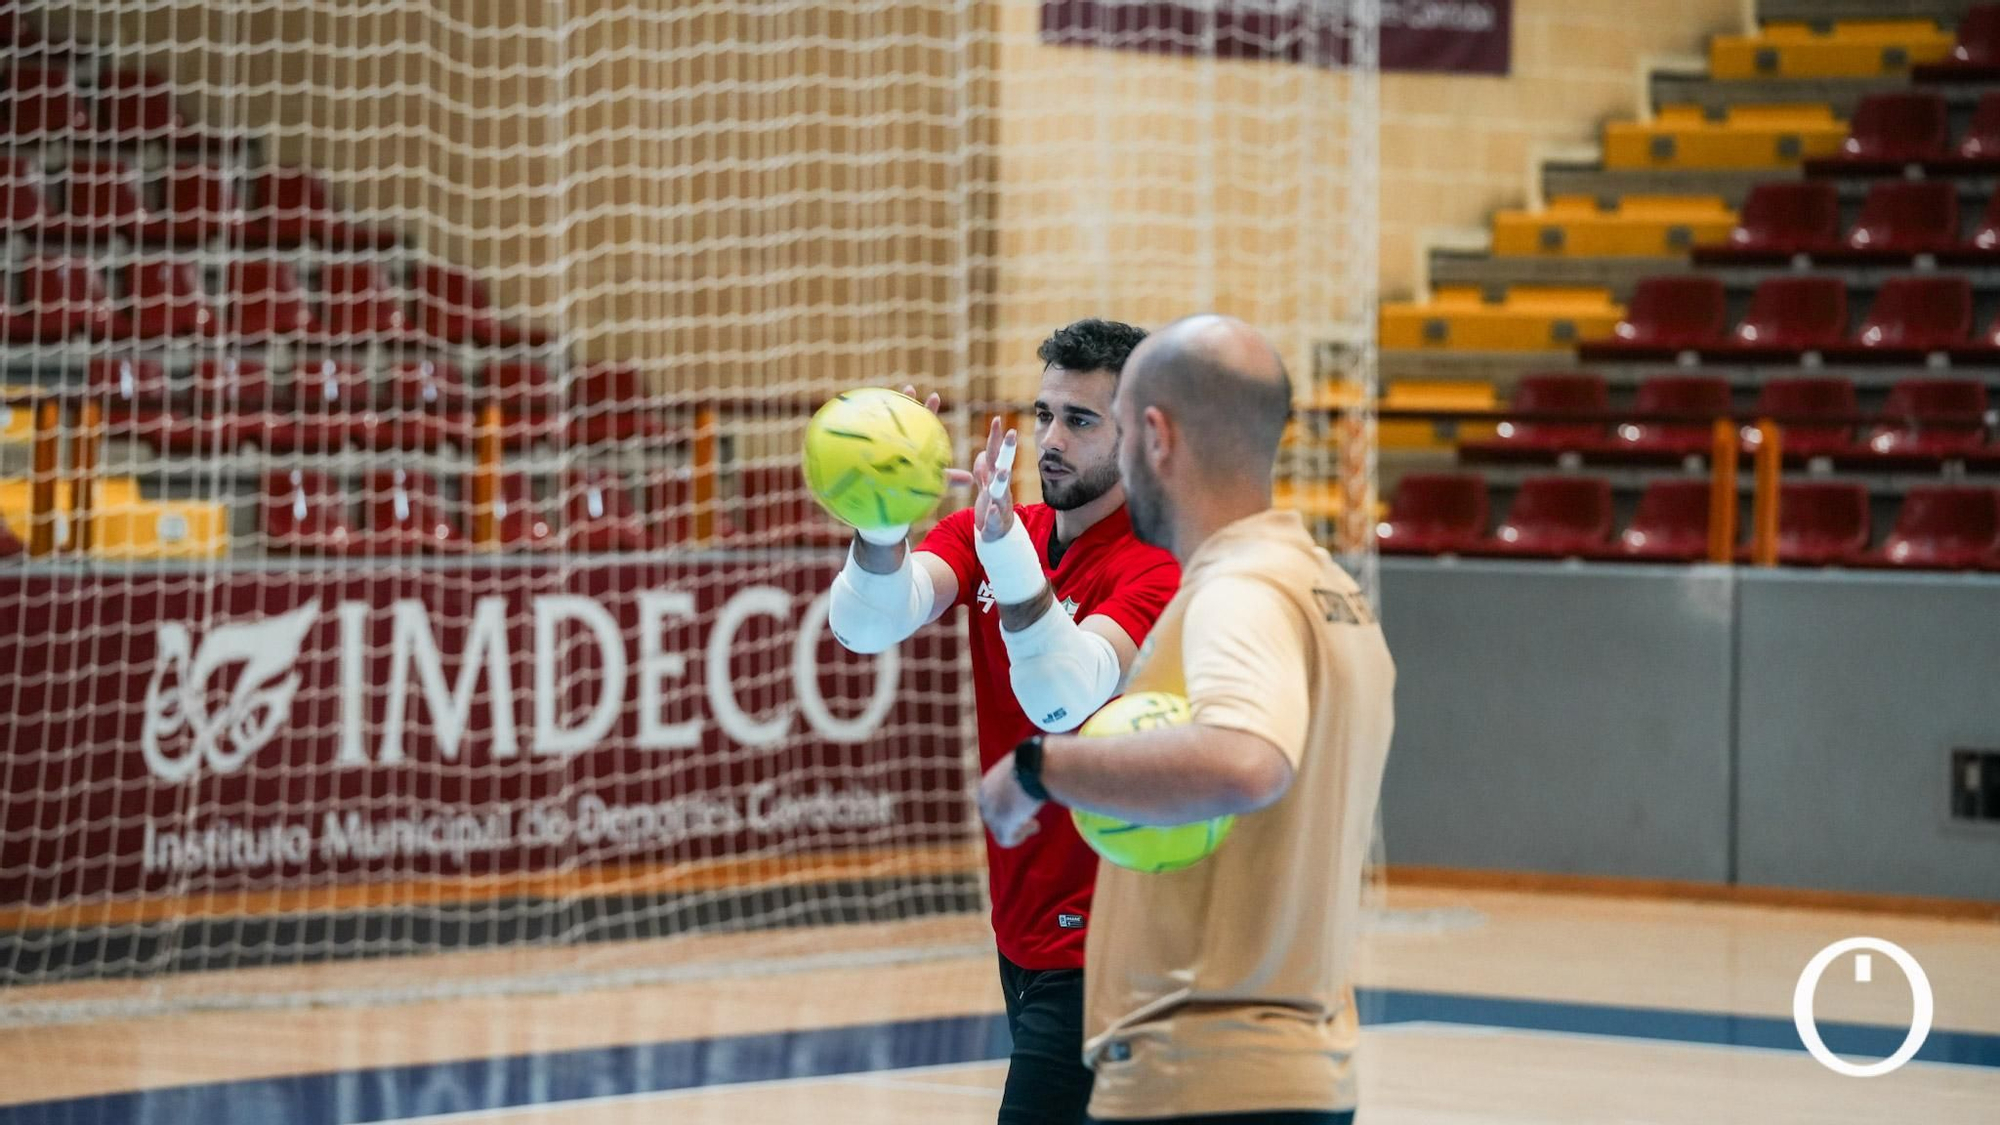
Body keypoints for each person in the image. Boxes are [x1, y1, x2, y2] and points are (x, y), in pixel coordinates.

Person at [976, 314, 1396, 1125]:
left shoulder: (1238, 593)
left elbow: (1245, 761)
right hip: (1301, 1062)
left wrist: (1040, 769)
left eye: (1109, 424)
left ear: (1155, 436)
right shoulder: (1330, 590)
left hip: (1203, 1067)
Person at [826, 318, 1182, 1124]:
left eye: (1080, 420)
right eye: (1043, 414)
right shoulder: (997, 529)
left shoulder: (1159, 563)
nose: (1050, 440)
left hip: (1115, 940)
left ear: (1141, 435)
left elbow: (1064, 693)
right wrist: (882, 517)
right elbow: (864, 624)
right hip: (1022, 926)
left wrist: (1004, 552)